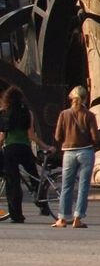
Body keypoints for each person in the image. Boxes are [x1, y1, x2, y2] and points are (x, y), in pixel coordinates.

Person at [1, 86, 52, 223]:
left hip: (10, 150)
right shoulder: (27, 113)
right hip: (24, 148)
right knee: (35, 178)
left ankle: (17, 215)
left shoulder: (4, 113)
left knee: (13, 183)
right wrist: (45, 146)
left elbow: (2, 137)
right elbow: (31, 135)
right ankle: (43, 204)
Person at [53, 85, 99, 229]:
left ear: (71, 98)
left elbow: (57, 136)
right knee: (83, 186)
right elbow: (95, 137)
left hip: (68, 152)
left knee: (66, 186)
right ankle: (77, 218)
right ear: (85, 98)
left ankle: (62, 218)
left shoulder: (63, 114)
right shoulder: (89, 115)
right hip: (86, 152)